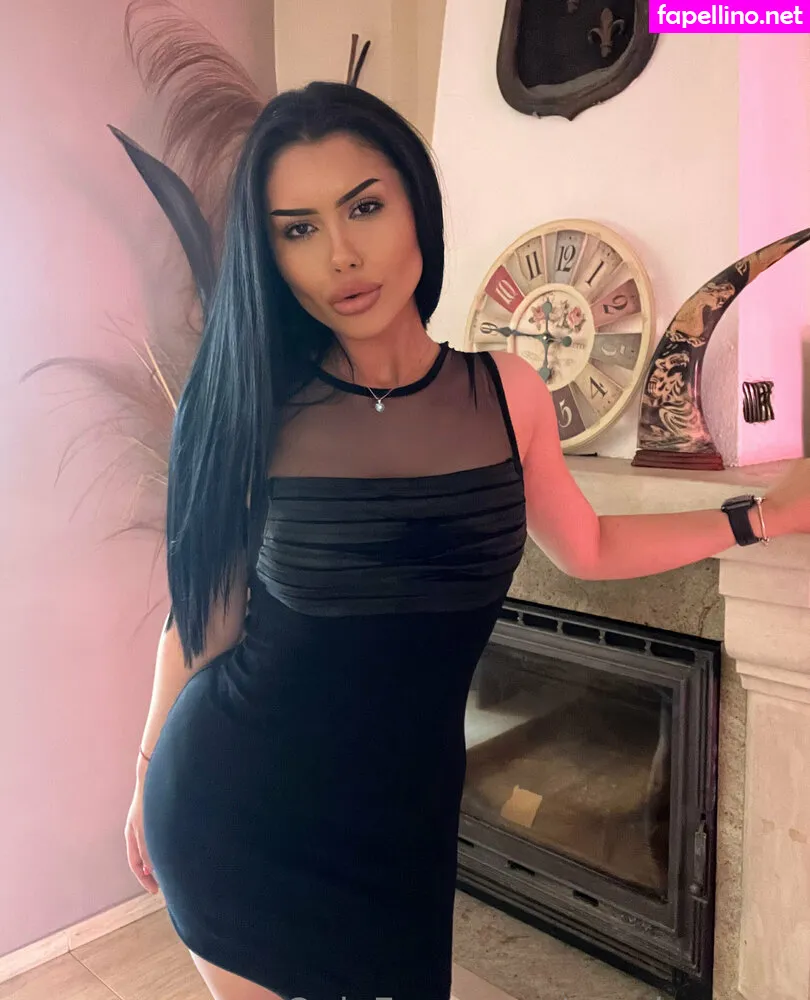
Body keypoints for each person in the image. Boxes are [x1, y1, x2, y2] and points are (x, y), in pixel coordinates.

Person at [119, 74, 810, 1000]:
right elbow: (202, 618)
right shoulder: (255, 403)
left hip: (406, 820)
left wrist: (761, 517)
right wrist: (146, 770)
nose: (341, 254)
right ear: (270, 253)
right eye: (299, 229)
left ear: (417, 203)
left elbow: (590, 547)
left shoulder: (507, 392)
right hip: (240, 813)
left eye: (364, 207)